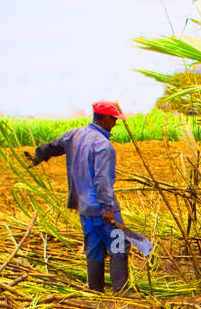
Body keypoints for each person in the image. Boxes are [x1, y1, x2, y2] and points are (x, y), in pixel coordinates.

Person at [29, 101, 129, 293]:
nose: (115, 123)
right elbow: (102, 179)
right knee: (119, 243)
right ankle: (121, 293)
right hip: (101, 208)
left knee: (94, 246)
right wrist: (108, 208)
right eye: (114, 119)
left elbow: (54, 146)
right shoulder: (103, 146)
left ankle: (95, 291)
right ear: (106, 118)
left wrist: (38, 156)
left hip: (83, 206)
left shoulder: (75, 134)